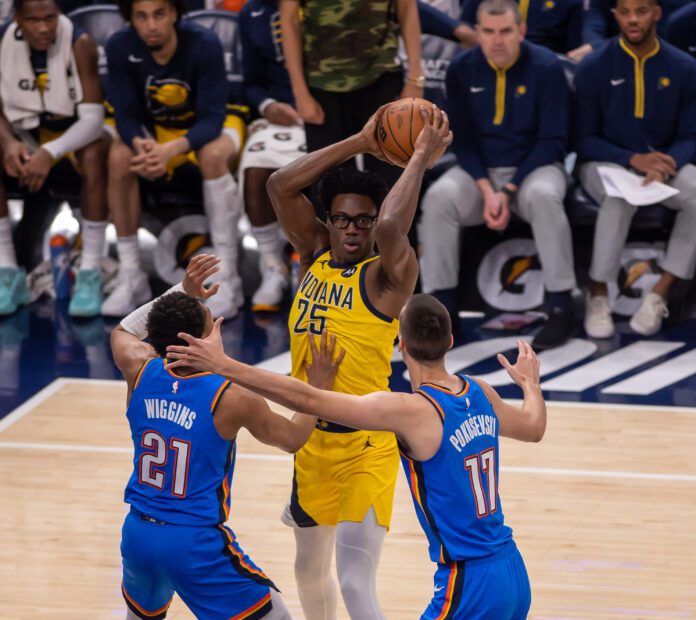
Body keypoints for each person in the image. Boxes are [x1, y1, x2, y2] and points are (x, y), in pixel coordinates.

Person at [166, 293, 545, 619]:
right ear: (449, 340)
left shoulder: (411, 410)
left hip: (469, 582)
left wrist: (223, 365)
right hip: (513, 569)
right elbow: (533, 427)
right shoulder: (481, 393)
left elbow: (304, 399)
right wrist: (530, 384)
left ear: (401, 344)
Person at [263, 106, 450, 619]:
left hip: (366, 447)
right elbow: (280, 185)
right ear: (328, 221)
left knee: (354, 581)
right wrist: (361, 140)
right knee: (308, 572)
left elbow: (393, 223)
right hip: (310, 443)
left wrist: (417, 158)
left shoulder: (387, 279)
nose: (351, 230)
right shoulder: (314, 254)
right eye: (341, 218)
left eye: (361, 221)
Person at [110, 253, 338, 620]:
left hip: (138, 534)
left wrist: (179, 291)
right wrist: (320, 388)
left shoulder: (138, 369)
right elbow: (294, 437)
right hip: (193, 543)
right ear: (206, 336)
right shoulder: (231, 397)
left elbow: (123, 330)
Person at [419, 0, 576, 350]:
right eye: (488, 32)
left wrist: (507, 190)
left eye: (505, 31)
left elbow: (552, 141)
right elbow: (465, 141)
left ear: (520, 31)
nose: (497, 40)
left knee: (544, 198)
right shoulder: (461, 67)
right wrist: (487, 189)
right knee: (439, 198)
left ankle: (562, 307)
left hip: (534, 170)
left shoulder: (546, 66)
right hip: (481, 174)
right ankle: (443, 312)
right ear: (478, 32)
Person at [104, 0, 248, 318]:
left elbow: (212, 119)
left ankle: (228, 277)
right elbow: (125, 116)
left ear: (174, 14)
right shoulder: (120, 45)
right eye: (141, 16)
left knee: (212, 156)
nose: (151, 24)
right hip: (158, 132)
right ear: (131, 19)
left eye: (159, 14)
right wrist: (144, 147)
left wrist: (168, 151)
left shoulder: (204, 43)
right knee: (118, 157)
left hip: (214, 124)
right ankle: (132, 276)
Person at [575, 0, 696, 338]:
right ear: (615, 15)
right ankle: (598, 293)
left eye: (641, 11)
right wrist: (632, 159)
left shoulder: (684, 67)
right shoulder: (594, 65)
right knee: (618, 198)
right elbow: (583, 139)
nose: (632, 19)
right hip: (604, 163)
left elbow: (691, 135)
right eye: (625, 12)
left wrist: (666, 163)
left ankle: (660, 292)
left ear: (656, 13)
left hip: (662, 164)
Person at [0, 0, 109, 317]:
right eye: (34, 20)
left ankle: (90, 272)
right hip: (24, 136)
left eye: (50, 18)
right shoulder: (2, 41)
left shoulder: (80, 42)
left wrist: (49, 153)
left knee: (95, 152)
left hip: (73, 136)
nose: (44, 28)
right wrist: (7, 143)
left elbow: (92, 121)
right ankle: (8, 271)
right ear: (17, 17)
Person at [280, 0, 423, 189]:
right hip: (322, 81)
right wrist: (300, 93)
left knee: (392, 179)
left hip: (381, 73)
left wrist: (415, 78)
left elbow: (407, 8)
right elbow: (289, 20)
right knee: (329, 185)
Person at [238, 0, 304, 313]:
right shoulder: (252, 13)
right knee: (255, 168)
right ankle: (272, 264)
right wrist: (267, 106)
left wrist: (459, 30)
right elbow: (251, 83)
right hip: (281, 116)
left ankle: (318, 260)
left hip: (331, 110)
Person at [571, 0, 689, 62]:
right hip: (611, 55)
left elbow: (658, 36)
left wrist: (597, 48)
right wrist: (593, 45)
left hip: (660, 57)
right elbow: (594, 16)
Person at [461, 0, 583, 56]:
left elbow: (573, 51)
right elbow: (466, 32)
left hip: (546, 65)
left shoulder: (571, 3)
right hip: (487, 61)